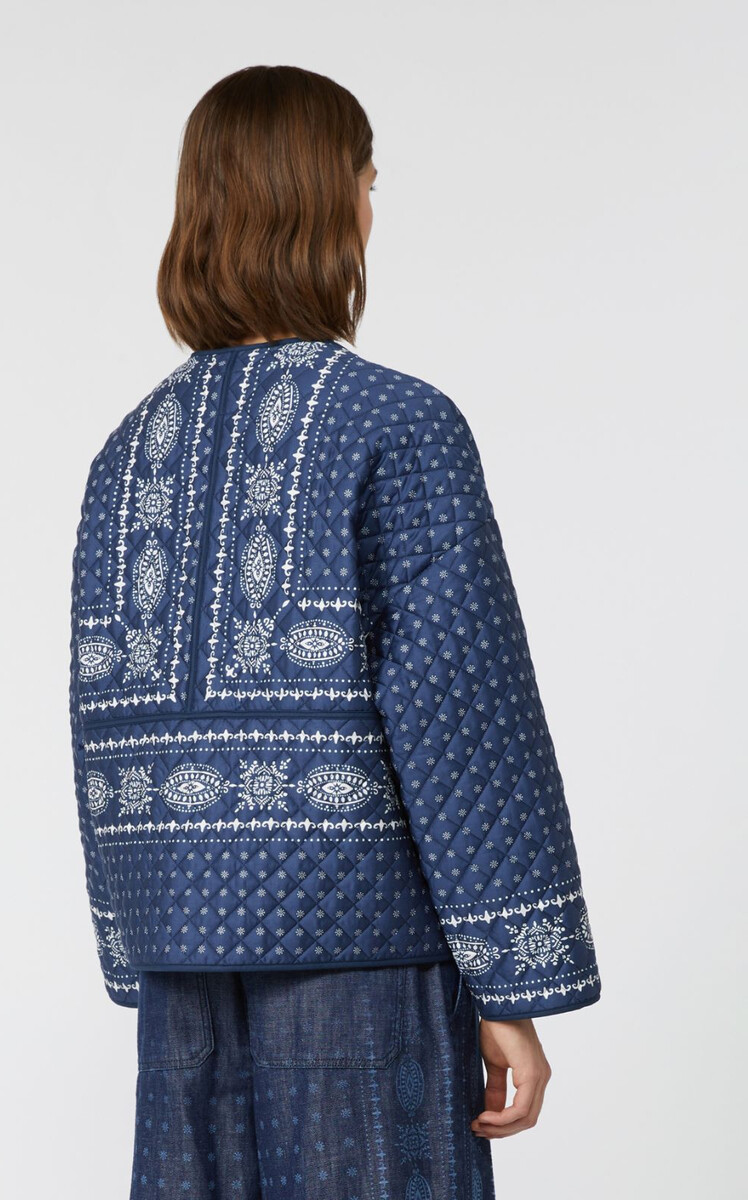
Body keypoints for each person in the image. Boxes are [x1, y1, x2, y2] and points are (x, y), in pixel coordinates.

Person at [68, 64, 602, 1200]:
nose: (371, 207)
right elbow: (464, 712)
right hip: (362, 956)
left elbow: (100, 714)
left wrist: (134, 934)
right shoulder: (399, 425)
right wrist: (512, 981)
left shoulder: (128, 450)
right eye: (368, 182)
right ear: (327, 203)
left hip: (181, 961)